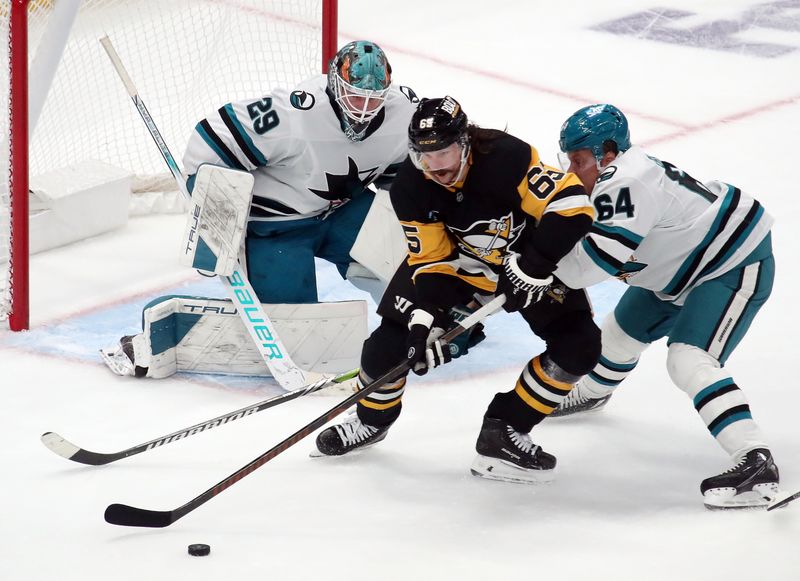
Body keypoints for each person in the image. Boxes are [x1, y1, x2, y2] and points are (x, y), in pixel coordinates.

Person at [313, 96, 602, 484]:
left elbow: (572, 206)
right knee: (388, 345)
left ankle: (505, 429)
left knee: (579, 346)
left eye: (444, 152)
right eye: (424, 155)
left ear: (464, 142)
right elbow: (432, 263)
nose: (435, 166)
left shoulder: (506, 157)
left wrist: (533, 266)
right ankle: (372, 419)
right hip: (460, 267)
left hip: (529, 260)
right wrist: (423, 324)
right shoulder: (411, 187)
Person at [101, 40, 418, 378]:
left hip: (344, 212)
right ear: (334, 84)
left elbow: (401, 175)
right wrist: (217, 217)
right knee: (296, 333)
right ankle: (166, 334)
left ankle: (432, 318)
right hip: (276, 229)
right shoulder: (293, 115)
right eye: (355, 96)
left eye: (374, 98)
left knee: (407, 264)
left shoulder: (404, 113)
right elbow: (211, 141)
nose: (364, 109)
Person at [552, 104, 778, 509]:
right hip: (678, 267)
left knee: (688, 361)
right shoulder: (612, 177)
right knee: (617, 338)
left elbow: (591, 266)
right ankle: (592, 393)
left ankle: (754, 458)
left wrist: (534, 272)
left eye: (579, 160)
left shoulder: (627, 182)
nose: (572, 171)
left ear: (606, 154)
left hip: (727, 262)